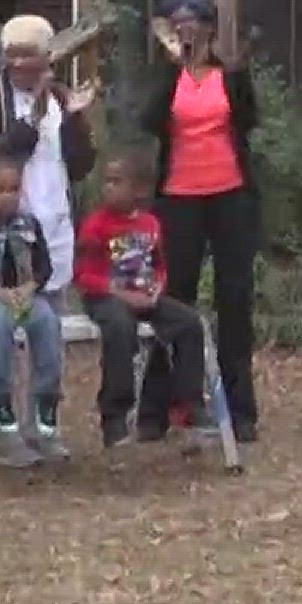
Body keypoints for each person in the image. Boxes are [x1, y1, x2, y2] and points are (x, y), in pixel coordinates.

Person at [138, 0, 261, 444]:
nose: (185, 30)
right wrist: (173, 67)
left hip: (229, 195)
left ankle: (239, 409)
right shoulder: (167, 77)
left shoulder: (226, 77)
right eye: (177, 23)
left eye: (193, 22)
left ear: (209, 28)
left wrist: (241, 72)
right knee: (173, 299)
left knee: (234, 300)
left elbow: (249, 120)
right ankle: (159, 406)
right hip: (179, 198)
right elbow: (149, 122)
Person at [76, 152, 209, 449]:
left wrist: (156, 289)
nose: (108, 188)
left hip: (144, 296)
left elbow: (158, 265)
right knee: (121, 328)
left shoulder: (150, 224)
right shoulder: (95, 225)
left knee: (189, 322)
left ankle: (189, 401)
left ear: (138, 190)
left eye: (116, 182)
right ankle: (115, 413)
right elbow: (83, 275)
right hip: (106, 297)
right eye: (106, 182)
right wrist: (118, 293)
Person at [0, 15, 97, 310]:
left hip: (55, 221)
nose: (18, 63)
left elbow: (81, 166)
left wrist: (77, 120)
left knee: (52, 319)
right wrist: (32, 119)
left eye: (28, 54)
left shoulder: (60, 97)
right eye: (12, 54)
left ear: (47, 57)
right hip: (7, 228)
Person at [0, 153, 67, 468]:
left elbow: (44, 265)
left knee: (48, 322)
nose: (8, 196)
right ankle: (1, 420)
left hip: (26, 296)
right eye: (0, 189)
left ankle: (43, 418)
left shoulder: (29, 223)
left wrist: (30, 287)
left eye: (14, 189)